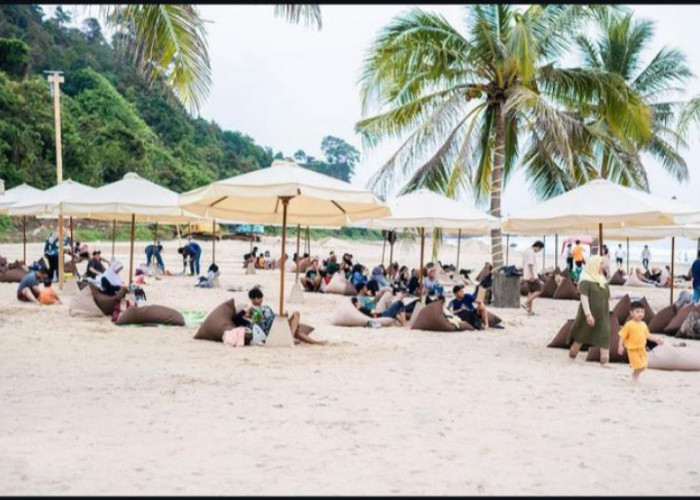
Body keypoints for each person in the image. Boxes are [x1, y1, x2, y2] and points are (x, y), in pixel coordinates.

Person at [235, 287, 327, 345]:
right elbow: (236, 318)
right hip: (271, 330)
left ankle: (291, 336)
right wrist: (246, 310)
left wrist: (283, 315)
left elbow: (274, 316)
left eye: (260, 297)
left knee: (296, 313)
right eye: (257, 298)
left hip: (278, 323)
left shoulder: (266, 307)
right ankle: (313, 342)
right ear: (252, 299)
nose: (259, 300)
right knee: (297, 332)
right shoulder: (251, 310)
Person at [567, 256, 612, 367]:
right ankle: (572, 357)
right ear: (594, 264)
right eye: (601, 264)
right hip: (588, 314)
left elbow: (607, 296)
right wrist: (588, 314)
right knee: (581, 336)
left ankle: (605, 362)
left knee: (605, 335)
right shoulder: (585, 279)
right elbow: (584, 298)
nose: (603, 266)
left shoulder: (602, 279)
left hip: (603, 314)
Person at [617, 301, 665, 381]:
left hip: (642, 349)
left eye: (642, 312)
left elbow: (648, 335)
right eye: (637, 312)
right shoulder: (629, 324)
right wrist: (620, 345)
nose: (640, 314)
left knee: (644, 366)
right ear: (631, 313)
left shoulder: (643, 324)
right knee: (638, 366)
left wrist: (657, 339)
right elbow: (622, 335)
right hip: (632, 349)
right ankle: (634, 377)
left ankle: (635, 376)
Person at [522, 241, 544, 315]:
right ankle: (526, 303)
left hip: (526, 275)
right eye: (540, 249)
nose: (539, 251)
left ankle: (529, 310)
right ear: (537, 247)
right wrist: (532, 275)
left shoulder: (526, 251)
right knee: (539, 289)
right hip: (531, 275)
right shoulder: (531, 252)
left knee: (531, 292)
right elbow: (530, 264)